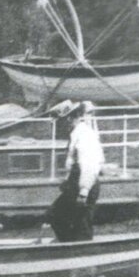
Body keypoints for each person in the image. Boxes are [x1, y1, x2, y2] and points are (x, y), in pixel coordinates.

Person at [48, 101, 105, 242]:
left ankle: (78, 248)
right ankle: (67, 243)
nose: (57, 126)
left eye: (58, 122)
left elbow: (89, 164)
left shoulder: (84, 134)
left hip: (85, 183)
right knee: (57, 214)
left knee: (80, 222)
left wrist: (84, 191)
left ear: (68, 119)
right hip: (76, 183)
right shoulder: (76, 133)